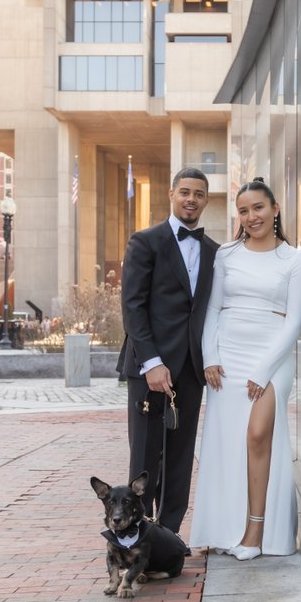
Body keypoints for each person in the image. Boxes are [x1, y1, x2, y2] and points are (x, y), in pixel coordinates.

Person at [190, 178, 301, 560]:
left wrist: (264, 368)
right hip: (228, 358)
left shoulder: (294, 259)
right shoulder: (226, 254)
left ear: (275, 209)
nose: (251, 216)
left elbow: (294, 321)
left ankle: (257, 533)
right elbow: (213, 308)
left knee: (258, 436)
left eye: (258, 207)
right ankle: (226, 529)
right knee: (227, 442)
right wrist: (210, 356)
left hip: (270, 359)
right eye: (243, 210)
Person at [119, 167, 218, 537]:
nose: (192, 199)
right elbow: (133, 307)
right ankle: (135, 537)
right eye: (185, 192)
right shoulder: (145, 242)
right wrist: (152, 362)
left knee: (179, 458)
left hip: (191, 371)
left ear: (206, 200)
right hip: (149, 369)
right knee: (145, 458)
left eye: (199, 194)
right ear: (171, 194)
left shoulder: (213, 251)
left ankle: (170, 536)